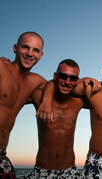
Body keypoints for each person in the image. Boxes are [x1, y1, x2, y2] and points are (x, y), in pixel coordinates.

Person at [23, 59, 92, 178]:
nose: (67, 82)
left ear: (77, 81)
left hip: (69, 172)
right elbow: (10, 96)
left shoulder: (79, 101)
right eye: (63, 76)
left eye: (72, 78)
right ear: (55, 76)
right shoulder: (38, 96)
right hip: (41, 171)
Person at [0, 31, 47, 178]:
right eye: (25, 47)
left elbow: (60, 87)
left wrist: (47, 100)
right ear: (15, 48)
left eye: (35, 50)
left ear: (41, 55)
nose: (30, 53)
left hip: (2, 154)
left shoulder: (35, 81)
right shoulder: (1, 68)